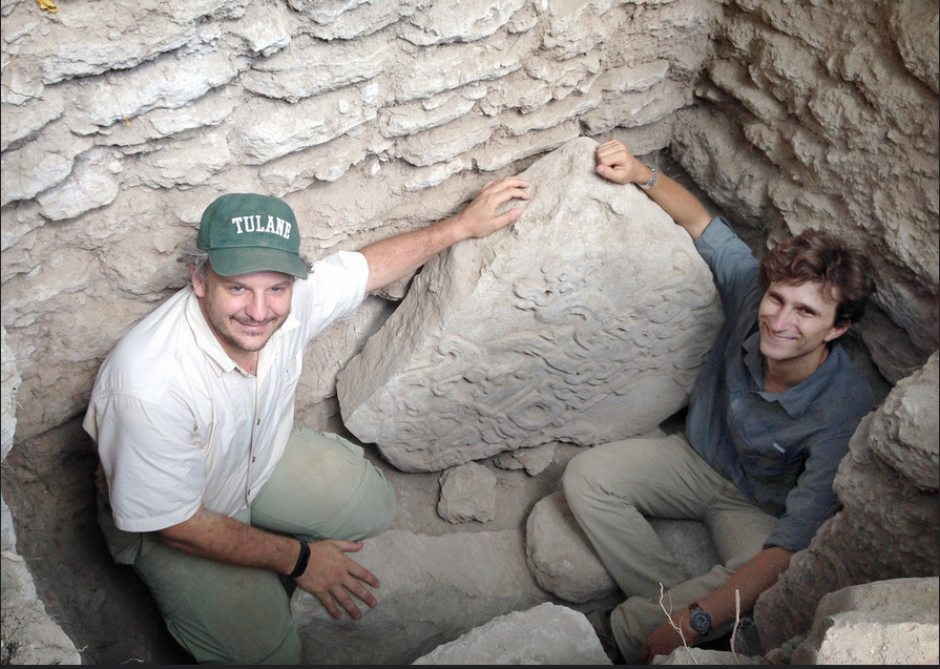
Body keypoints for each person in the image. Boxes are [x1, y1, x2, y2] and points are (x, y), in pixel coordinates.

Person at [83, 178, 531, 664]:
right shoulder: (147, 386)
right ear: (198, 280)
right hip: (181, 517)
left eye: (276, 288)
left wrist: (459, 227)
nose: (259, 311)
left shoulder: (288, 304)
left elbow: (367, 269)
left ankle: (263, 550)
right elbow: (176, 525)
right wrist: (300, 560)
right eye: (237, 288)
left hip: (255, 461)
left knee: (373, 507)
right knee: (273, 657)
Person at [562, 140, 875, 663]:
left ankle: (643, 628)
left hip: (757, 507)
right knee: (585, 478)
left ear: (837, 328)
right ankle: (663, 604)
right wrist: (640, 172)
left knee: (766, 576)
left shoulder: (842, 408)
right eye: (778, 299)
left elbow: (789, 545)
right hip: (695, 458)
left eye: (805, 312)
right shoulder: (752, 296)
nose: (779, 321)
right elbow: (704, 226)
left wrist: (696, 621)